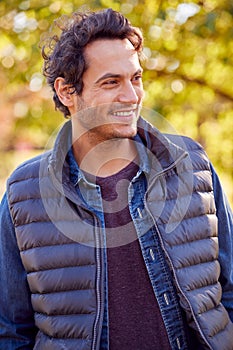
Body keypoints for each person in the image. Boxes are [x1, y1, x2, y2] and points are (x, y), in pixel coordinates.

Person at [0, 8, 233, 350]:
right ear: (67, 92)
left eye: (135, 78)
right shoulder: (25, 194)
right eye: (111, 82)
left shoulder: (192, 166)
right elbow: (10, 331)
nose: (132, 96)